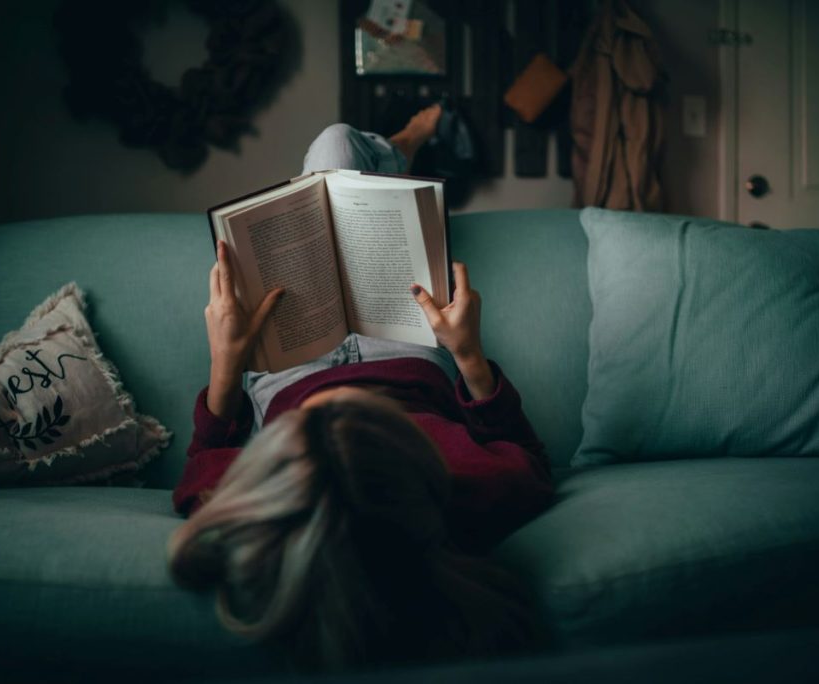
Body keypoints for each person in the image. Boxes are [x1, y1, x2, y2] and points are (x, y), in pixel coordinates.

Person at [166, 107, 554, 671]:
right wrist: (467, 353)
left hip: (288, 367)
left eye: (311, 429)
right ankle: (406, 144)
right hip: (402, 351)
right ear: (407, 467)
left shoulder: (258, 509)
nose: (339, 405)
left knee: (328, 163)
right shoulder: (468, 493)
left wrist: (225, 361)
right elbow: (532, 459)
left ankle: (398, 148)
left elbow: (204, 459)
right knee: (340, 155)